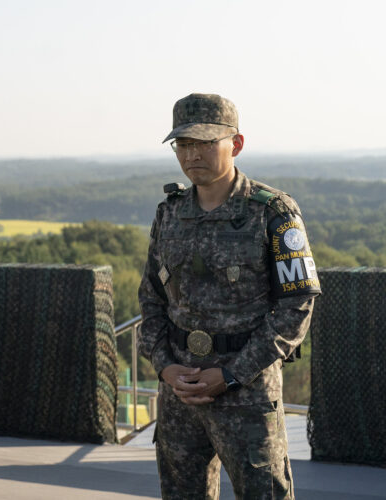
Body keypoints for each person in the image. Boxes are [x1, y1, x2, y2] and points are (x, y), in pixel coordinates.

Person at [139, 93, 320, 499]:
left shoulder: (272, 211)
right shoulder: (169, 214)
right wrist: (166, 367)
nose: (192, 155)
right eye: (183, 145)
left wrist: (232, 374)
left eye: (205, 143)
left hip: (247, 396)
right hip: (180, 393)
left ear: (235, 145)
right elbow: (151, 301)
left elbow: (297, 308)